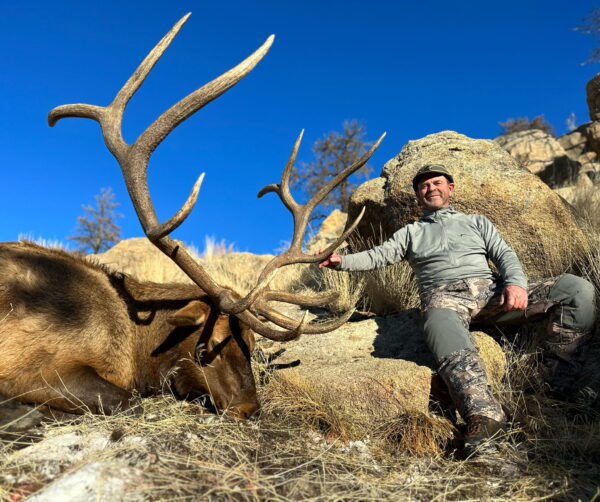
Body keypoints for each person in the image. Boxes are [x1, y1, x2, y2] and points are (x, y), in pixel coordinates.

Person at [319, 164, 596, 455]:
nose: (431, 188)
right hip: (444, 298)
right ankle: (484, 415)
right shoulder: (410, 233)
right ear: (418, 196)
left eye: (437, 182)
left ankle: (553, 387)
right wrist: (341, 262)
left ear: (450, 189)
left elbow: (504, 254)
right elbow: (377, 256)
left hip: (492, 293)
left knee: (576, 289)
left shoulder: (477, 222)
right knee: (438, 321)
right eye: (424, 186)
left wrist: (515, 284)